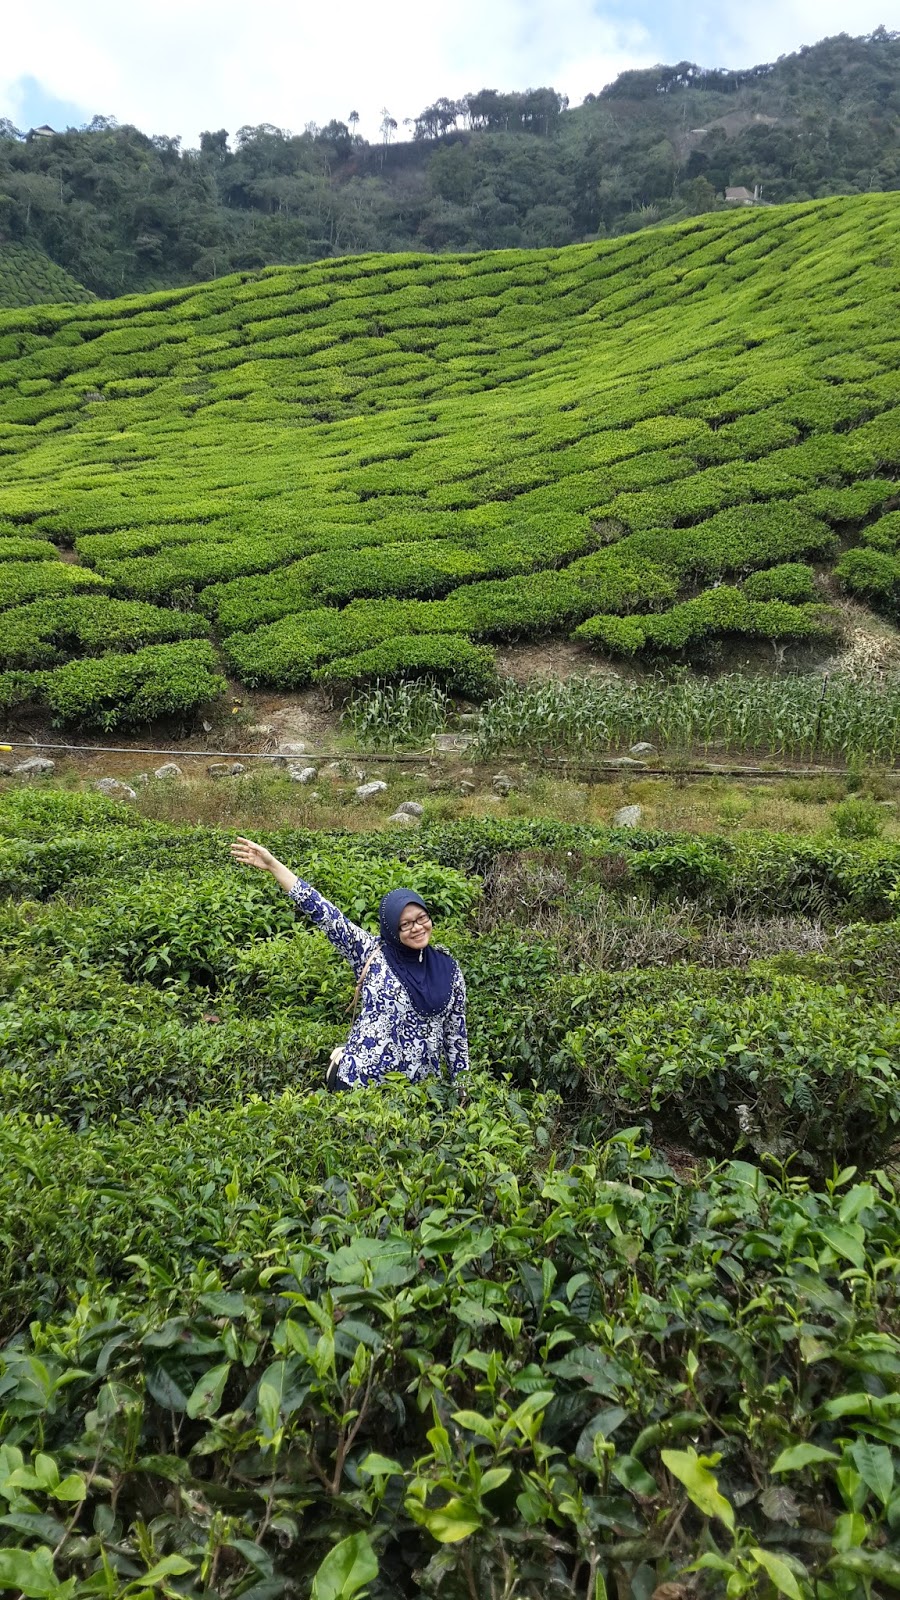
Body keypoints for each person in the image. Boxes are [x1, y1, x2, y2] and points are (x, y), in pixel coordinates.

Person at [230, 837, 469, 1091]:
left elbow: (456, 1037)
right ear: (391, 928)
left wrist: (462, 1092)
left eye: (421, 918)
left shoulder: (449, 969)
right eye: (405, 924)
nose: (417, 928)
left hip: (415, 1097)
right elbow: (324, 913)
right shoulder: (371, 952)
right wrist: (273, 865)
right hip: (359, 1087)